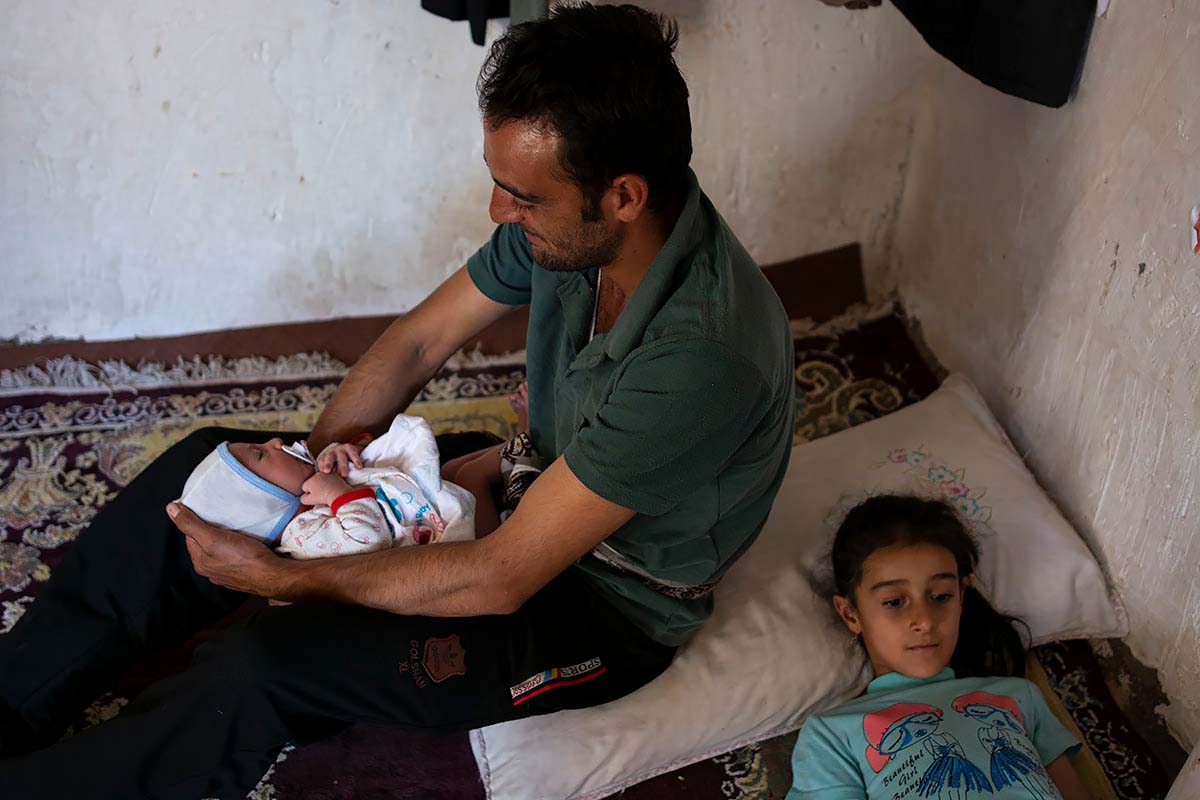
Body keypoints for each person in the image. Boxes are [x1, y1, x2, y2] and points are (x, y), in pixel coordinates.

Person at [0, 4, 794, 797]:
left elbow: (500, 578)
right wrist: (310, 488)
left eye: (521, 197)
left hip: (593, 605)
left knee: (264, 667)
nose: (499, 214)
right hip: (528, 487)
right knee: (207, 472)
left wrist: (292, 578)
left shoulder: (702, 358)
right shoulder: (574, 224)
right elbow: (418, 342)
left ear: (622, 195)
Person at [786, 496, 1091, 800]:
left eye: (941, 596)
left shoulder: (1018, 697)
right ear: (851, 613)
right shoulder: (832, 734)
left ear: (961, 595)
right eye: (894, 602)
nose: (924, 621)